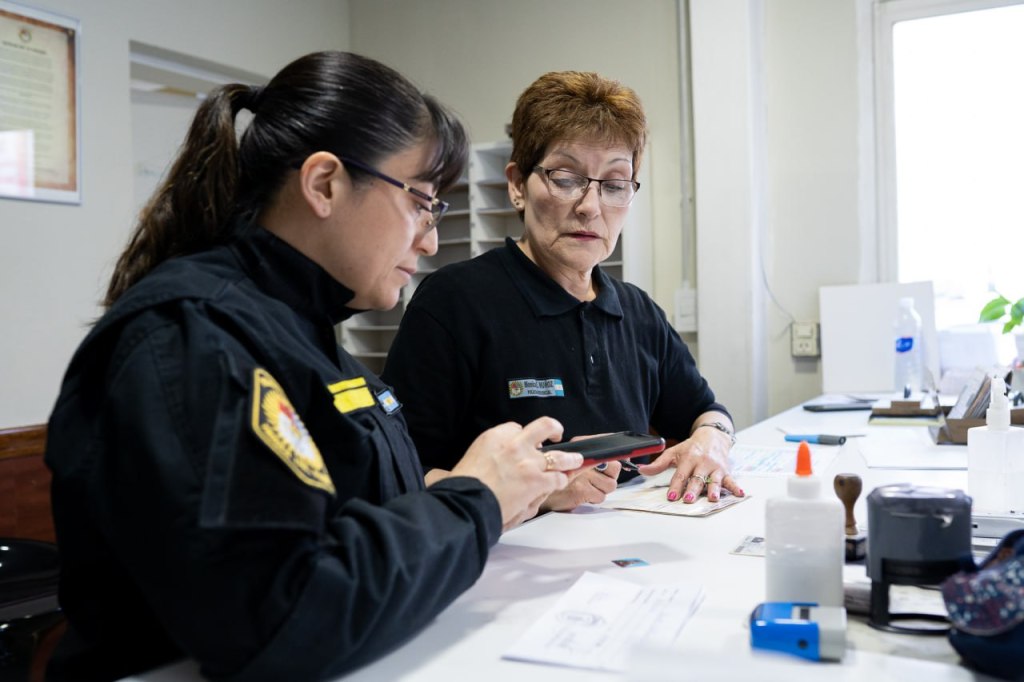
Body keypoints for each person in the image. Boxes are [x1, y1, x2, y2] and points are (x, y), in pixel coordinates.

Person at [43, 51, 581, 682]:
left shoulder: (302, 332)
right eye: (421, 202)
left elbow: (349, 523)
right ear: (324, 183)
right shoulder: (195, 336)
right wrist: (474, 500)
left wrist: (492, 496)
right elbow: (280, 615)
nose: (430, 239)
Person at [382, 70, 743, 512]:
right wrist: (538, 489)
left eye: (614, 185)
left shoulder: (638, 312)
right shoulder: (454, 303)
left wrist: (713, 438)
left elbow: (706, 411)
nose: (590, 207)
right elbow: (398, 474)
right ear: (517, 185)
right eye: (566, 178)